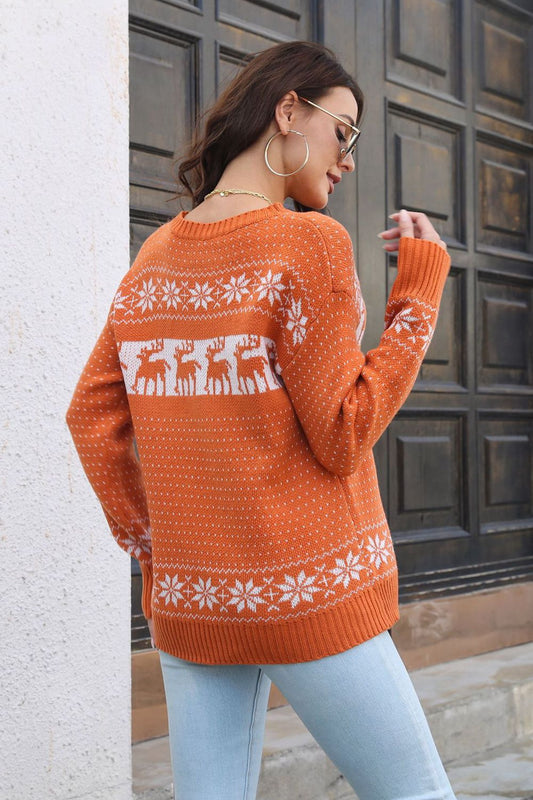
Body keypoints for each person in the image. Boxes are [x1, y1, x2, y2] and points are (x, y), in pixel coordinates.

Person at [66, 40, 456, 800]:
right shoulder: (307, 242)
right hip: (308, 591)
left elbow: (90, 416)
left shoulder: (153, 259)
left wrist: (162, 545)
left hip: (193, 598)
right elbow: (344, 431)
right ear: (287, 111)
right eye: (342, 130)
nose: (347, 159)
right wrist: (417, 301)